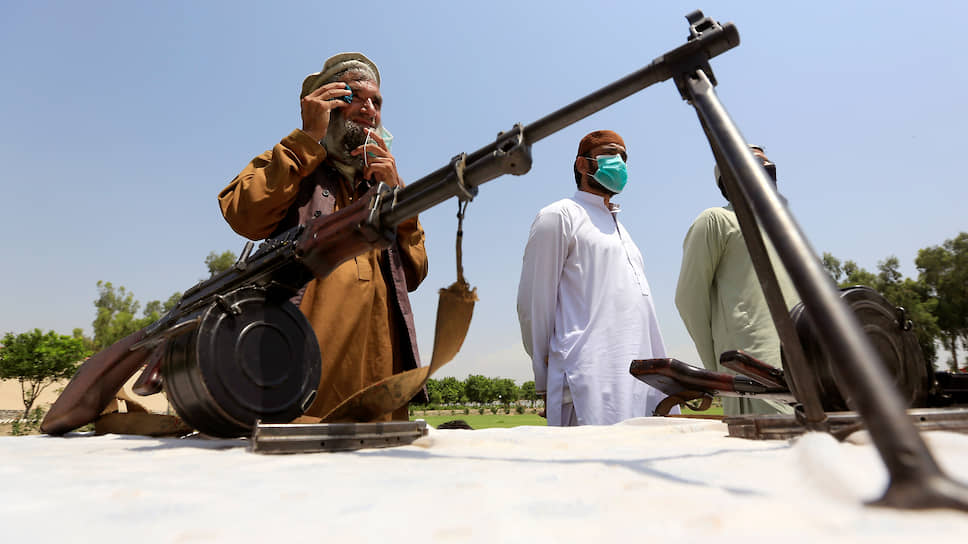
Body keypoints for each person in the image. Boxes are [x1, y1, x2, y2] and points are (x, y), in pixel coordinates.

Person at [218, 52, 428, 422]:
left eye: (376, 102)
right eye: (353, 97)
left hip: (379, 392)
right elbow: (243, 214)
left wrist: (399, 200)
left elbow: (415, 272)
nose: (369, 109)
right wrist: (306, 140)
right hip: (299, 386)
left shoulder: (383, 185)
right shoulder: (292, 163)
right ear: (325, 104)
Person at [516, 130, 673, 426]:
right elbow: (534, 305)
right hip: (585, 382)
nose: (619, 163)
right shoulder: (559, 215)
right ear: (582, 164)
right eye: (610, 154)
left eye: (623, 157)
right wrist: (545, 380)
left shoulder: (623, 232)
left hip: (639, 384)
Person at [674, 145, 799, 416]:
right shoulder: (716, 221)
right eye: (756, 162)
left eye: (768, 163)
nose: (767, 168)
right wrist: (715, 371)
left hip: (801, 367)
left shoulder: (785, 231)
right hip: (751, 369)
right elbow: (689, 300)